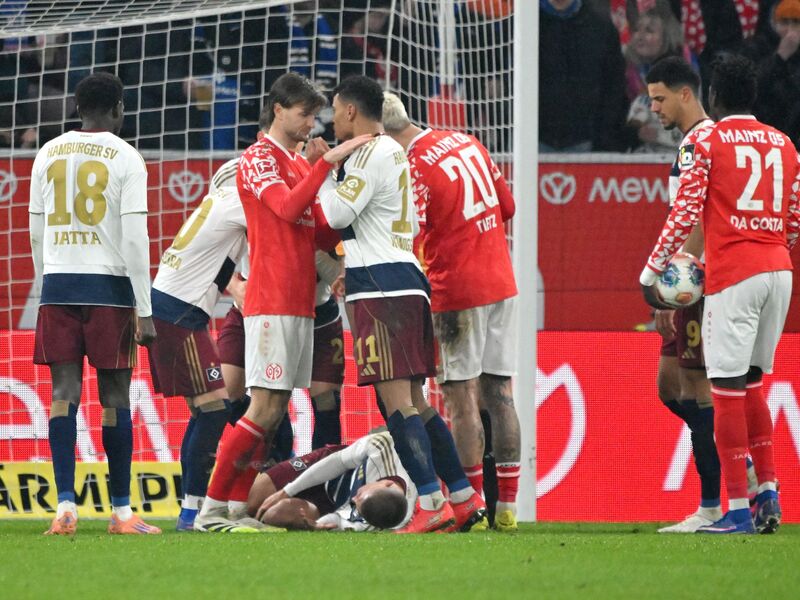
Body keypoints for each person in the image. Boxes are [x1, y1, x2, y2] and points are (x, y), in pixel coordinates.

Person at [194, 72, 370, 532]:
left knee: (272, 415)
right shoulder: (257, 160)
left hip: (301, 304)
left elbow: (319, 232)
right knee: (261, 408)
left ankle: (236, 509)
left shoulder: (295, 163)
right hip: (270, 299)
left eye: (315, 116)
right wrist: (323, 165)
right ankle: (210, 510)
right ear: (278, 109)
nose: (312, 124)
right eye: (304, 114)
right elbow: (288, 209)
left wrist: (346, 191)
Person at [317, 75, 485, 533]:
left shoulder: (369, 152)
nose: (332, 119)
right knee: (417, 403)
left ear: (351, 110)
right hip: (404, 280)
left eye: (335, 109)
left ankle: (431, 502)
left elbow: (336, 215)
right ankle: (464, 498)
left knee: (397, 407)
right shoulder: (390, 151)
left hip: (380, 286)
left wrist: (323, 171)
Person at [640, 55, 800, 534]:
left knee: (724, 392)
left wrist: (652, 274)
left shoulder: (705, 141)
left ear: (711, 95)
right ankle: (767, 493)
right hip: (779, 271)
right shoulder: (784, 143)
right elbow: (794, 218)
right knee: (751, 385)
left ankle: (735, 510)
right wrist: (772, 250)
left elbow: (686, 212)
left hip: (733, 273)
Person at [28, 72, 161, 535]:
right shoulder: (126, 156)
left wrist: (46, 284)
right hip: (110, 289)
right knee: (115, 397)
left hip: (58, 285)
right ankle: (121, 512)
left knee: (63, 394)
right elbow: (136, 238)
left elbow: (35, 231)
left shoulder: (48, 152)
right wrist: (145, 308)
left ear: (77, 108)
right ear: (119, 108)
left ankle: (65, 506)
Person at [382, 92, 521, 532]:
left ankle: (472, 504)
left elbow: (412, 235)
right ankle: (508, 509)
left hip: (457, 291)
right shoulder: (467, 141)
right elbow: (508, 207)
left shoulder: (413, 165)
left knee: (460, 401)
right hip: (501, 281)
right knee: (500, 395)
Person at [147, 155, 252, 532]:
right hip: (180, 312)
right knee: (213, 410)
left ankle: (190, 511)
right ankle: (193, 513)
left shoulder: (217, 204)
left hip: (176, 308)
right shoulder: (236, 202)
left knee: (207, 411)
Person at [643, 56, 722, 532]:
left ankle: (712, 505)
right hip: (690, 280)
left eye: (659, 98)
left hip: (698, 283)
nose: (653, 108)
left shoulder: (701, 142)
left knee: (698, 390)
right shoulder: (697, 141)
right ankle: (737, 465)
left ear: (686, 94)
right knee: (669, 388)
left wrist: (677, 286)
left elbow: (698, 219)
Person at [249, 431, 415, 531]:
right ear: (387, 484)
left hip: (332, 502)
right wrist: (287, 491)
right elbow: (339, 462)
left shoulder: (380, 520)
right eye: (360, 494)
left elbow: (338, 521)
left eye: (357, 504)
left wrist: (316, 525)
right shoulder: (383, 447)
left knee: (277, 514)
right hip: (328, 466)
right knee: (252, 500)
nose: (354, 498)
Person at [539, 0, 629, 152]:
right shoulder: (519, 26)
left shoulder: (601, 27)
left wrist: (602, 133)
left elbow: (614, 85)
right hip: (528, 139)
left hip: (586, 140)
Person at [753, 0, 800, 149]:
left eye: (796, 22)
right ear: (774, 23)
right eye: (784, 22)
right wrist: (780, 56)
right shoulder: (759, 47)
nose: (790, 29)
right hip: (766, 130)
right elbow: (755, 86)